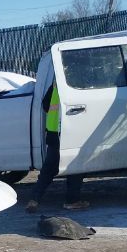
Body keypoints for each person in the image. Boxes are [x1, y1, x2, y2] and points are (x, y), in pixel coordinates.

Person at [25, 81, 89, 213]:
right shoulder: (76, 83)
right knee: (75, 167)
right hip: (69, 133)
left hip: (53, 132)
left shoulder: (56, 83)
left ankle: (34, 199)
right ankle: (72, 201)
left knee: (48, 169)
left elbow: (45, 105)